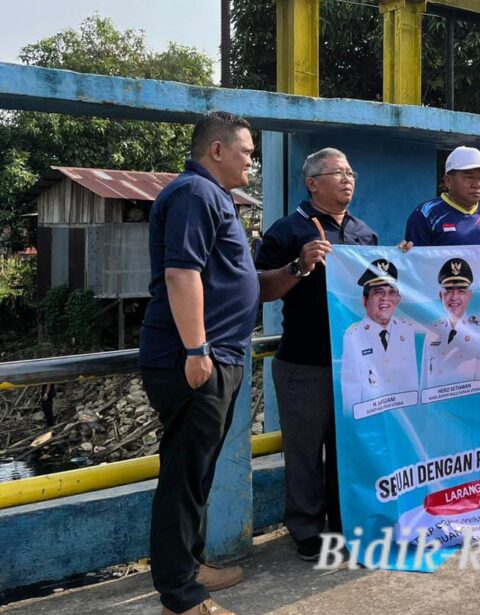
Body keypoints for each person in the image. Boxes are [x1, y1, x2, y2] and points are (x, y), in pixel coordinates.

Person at [139, 111, 257, 615]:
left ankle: (190, 564)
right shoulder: (195, 193)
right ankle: (181, 596)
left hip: (216, 356)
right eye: (246, 152)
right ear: (217, 150)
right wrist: (196, 349)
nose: (251, 161)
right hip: (192, 359)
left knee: (198, 472)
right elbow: (181, 273)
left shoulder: (216, 197)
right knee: (184, 477)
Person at [255, 148, 396, 561]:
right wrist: (299, 267)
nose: (348, 178)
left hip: (355, 362)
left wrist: (402, 260)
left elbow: (381, 292)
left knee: (349, 447)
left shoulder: (364, 234)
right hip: (305, 361)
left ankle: (345, 522)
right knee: (303, 451)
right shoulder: (288, 231)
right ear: (312, 183)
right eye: (338, 172)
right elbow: (259, 288)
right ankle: (306, 529)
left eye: (351, 172)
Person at [341, 259, 418, 411]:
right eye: (378, 292)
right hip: (371, 417)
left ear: (398, 298)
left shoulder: (407, 330)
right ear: (365, 301)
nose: (385, 298)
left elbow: (412, 380)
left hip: (405, 415)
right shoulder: (353, 336)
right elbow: (351, 391)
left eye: (391, 292)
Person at [421, 258, 480, 392]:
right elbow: (425, 381)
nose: (454, 297)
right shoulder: (434, 329)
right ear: (441, 295)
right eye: (449, 290)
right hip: (435, 403)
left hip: (464, 403)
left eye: (461, 291)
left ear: (469, 295)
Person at [404, 146, 480, 247]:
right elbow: (415, 255)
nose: (477, 185)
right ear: (448, 181)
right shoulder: (426, 213)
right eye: (469, 177)